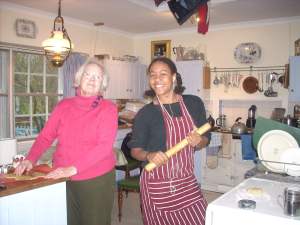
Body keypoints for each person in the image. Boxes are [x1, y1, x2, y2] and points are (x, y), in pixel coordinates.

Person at [15, 57, 118, 225]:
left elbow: (104, 147)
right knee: (68, 220)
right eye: (88, 75)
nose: (92, 79)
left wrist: (72, 169)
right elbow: (46, 136)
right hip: (62, 175)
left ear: (102, 85)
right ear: (78, 79)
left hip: (95, 179)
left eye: (98, 77)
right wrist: (30, 159)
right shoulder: (64, 105)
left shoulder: (108, 108)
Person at [129, 57, 210, 225]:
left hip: (186, 180)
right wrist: (149, 155)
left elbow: (206, 139)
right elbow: (135, 150)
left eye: (163, 74)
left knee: (201, 219)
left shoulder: (193, 103)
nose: (157, 79)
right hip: (157, 183)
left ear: (174, 77)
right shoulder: (145, 114)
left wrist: (198, 140)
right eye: (152, 75)